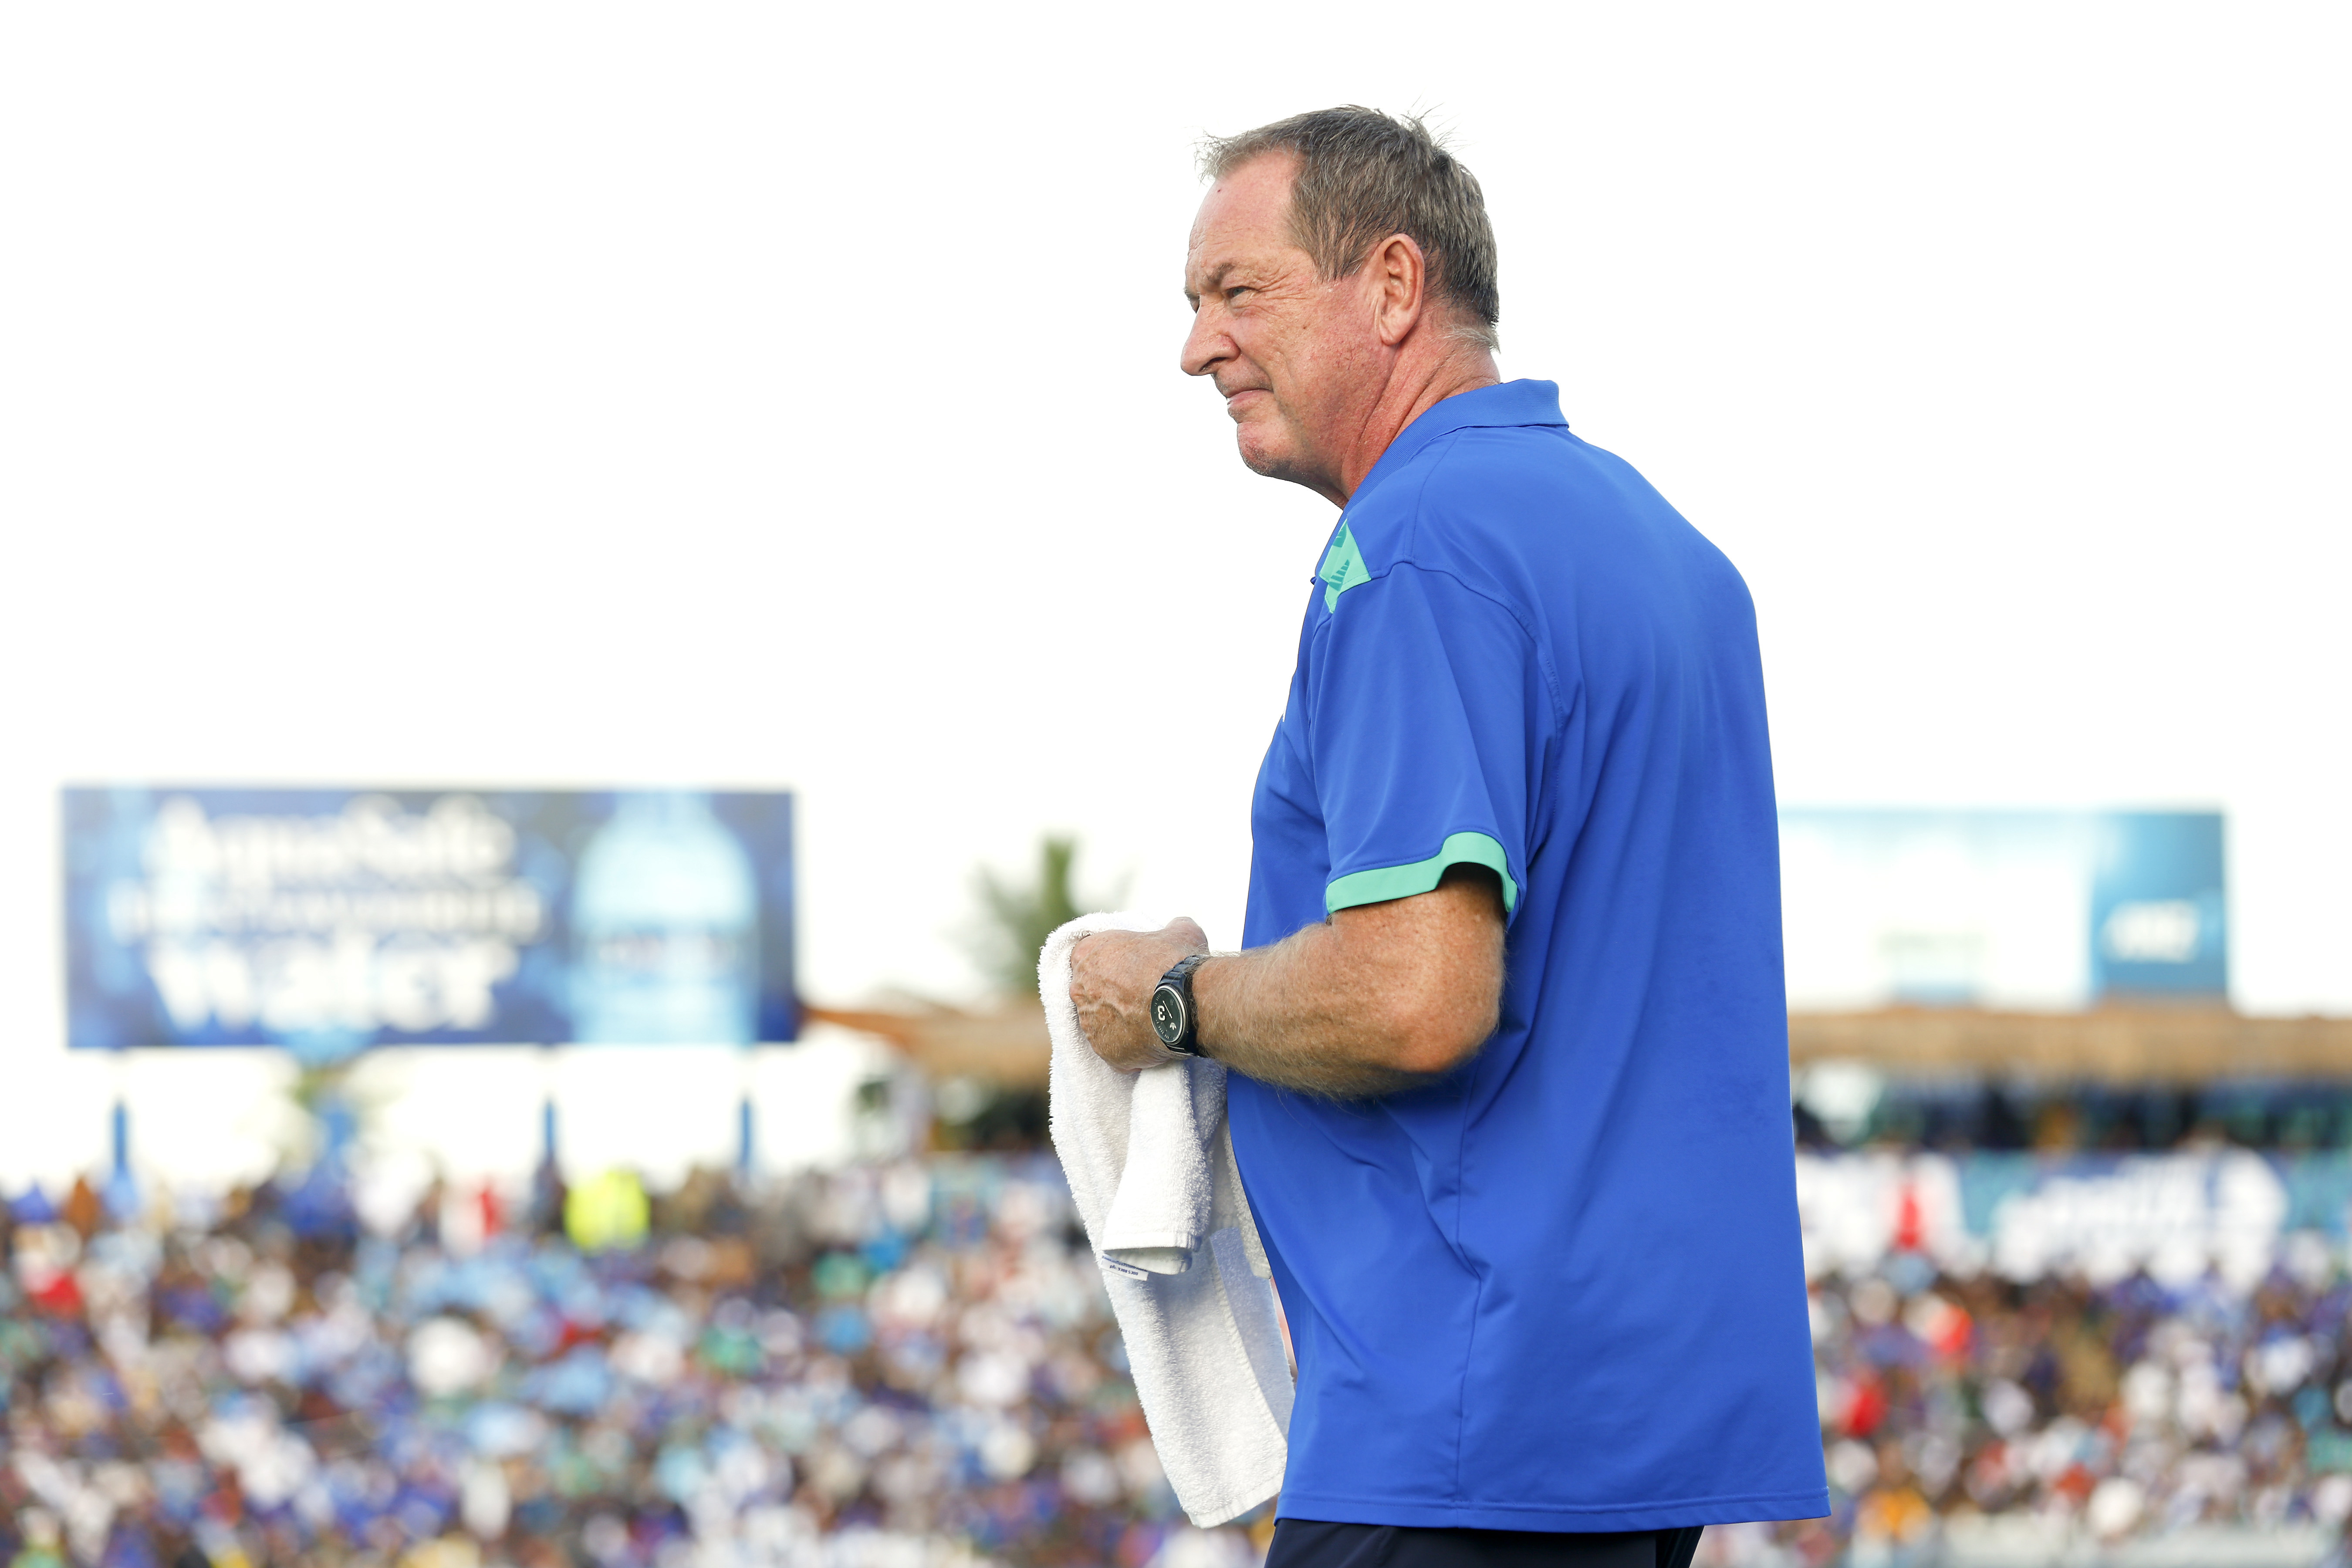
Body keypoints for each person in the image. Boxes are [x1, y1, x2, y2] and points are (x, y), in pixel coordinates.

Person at [1068, 108, 1828, 1568]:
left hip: (1465, 1417)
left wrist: (1172, 1003)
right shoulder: (1671, 551)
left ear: (1396, 287)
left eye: (1241, 291)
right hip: (1642, 1433)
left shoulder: (1416, 543)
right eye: (1193, 305)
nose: (1197, 347)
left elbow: (1422, 998)